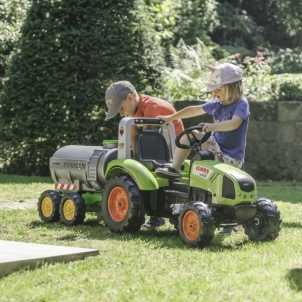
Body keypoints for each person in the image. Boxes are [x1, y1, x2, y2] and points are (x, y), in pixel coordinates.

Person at [154, 62, 250, 235]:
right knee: (187, 135)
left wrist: (212, 126)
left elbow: (234, 124)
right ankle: (175, 168)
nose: (215, 94)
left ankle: (230, 222)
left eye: (218, 90)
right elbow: (193, 110)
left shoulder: (241, 104)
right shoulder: (217, 103)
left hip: (231, 157)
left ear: (231, 87)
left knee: (223, 189)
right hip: (215, 148)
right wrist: (170, 117)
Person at [104, 80, 184, 228]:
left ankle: (157, 216)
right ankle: (155, 215)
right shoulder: (136, 111)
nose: (121, 113)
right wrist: (135, 161)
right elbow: (135, 133)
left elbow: (147, 135)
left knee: (159, 178)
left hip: (173, 147)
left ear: (129, 97)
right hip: (156, 146)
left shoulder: (151, 106)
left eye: (121, 108)